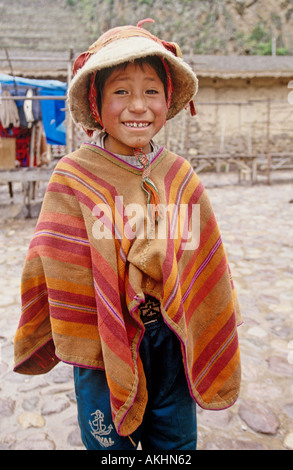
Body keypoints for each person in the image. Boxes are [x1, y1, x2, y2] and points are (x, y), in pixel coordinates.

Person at [14, 20, 242, 451]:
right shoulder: (75, 178)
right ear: (96, 102)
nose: (138, 105)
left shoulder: (179, 176)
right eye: (121, 90)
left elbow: (200, 262)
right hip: (102, 341)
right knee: (108, 449)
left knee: (174, 445)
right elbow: (54, 259)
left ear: (168, 98)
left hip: (170, 340)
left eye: (151, 91)